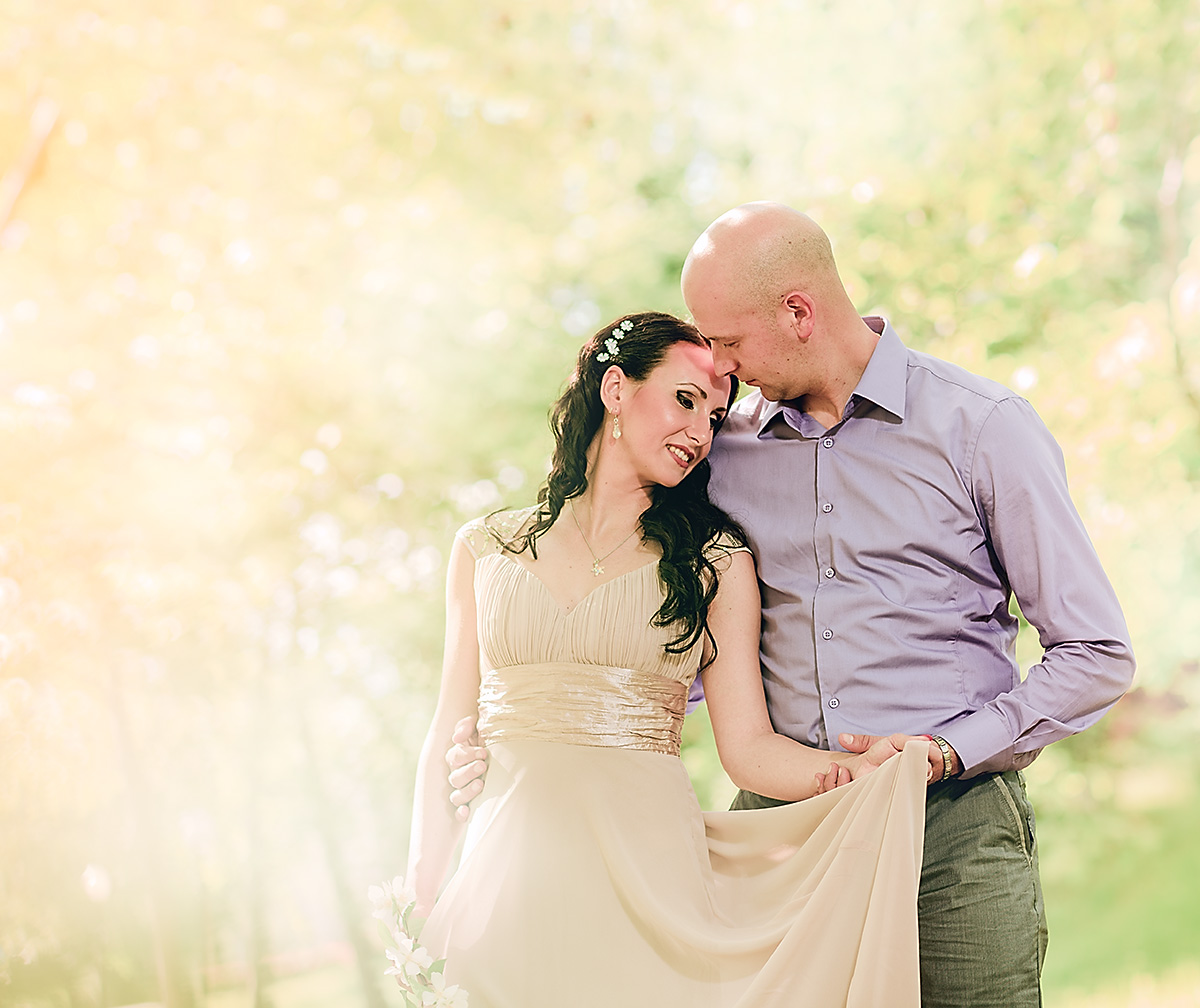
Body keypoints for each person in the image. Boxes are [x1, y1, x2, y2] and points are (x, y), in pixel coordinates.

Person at [448, 204, 1136, 1007]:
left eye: (730, 345)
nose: (722, 375)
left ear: (799, 312)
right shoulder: (716, 452)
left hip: (950, 830)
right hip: (781, 838)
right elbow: (648, 622)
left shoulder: (980, 429)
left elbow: (1096, 653)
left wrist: (945, 751)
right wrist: (534, 738)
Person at [406, 310, 938, 1008]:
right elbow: (450, 731)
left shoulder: (714, 564)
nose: (699, 433)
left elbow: (747, 748)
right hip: (502, 888)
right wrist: (417, 901)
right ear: (617, 389)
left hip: (651, 885)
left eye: (716, 418)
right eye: (685, 400)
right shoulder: (486, 550)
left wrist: (863, 771)